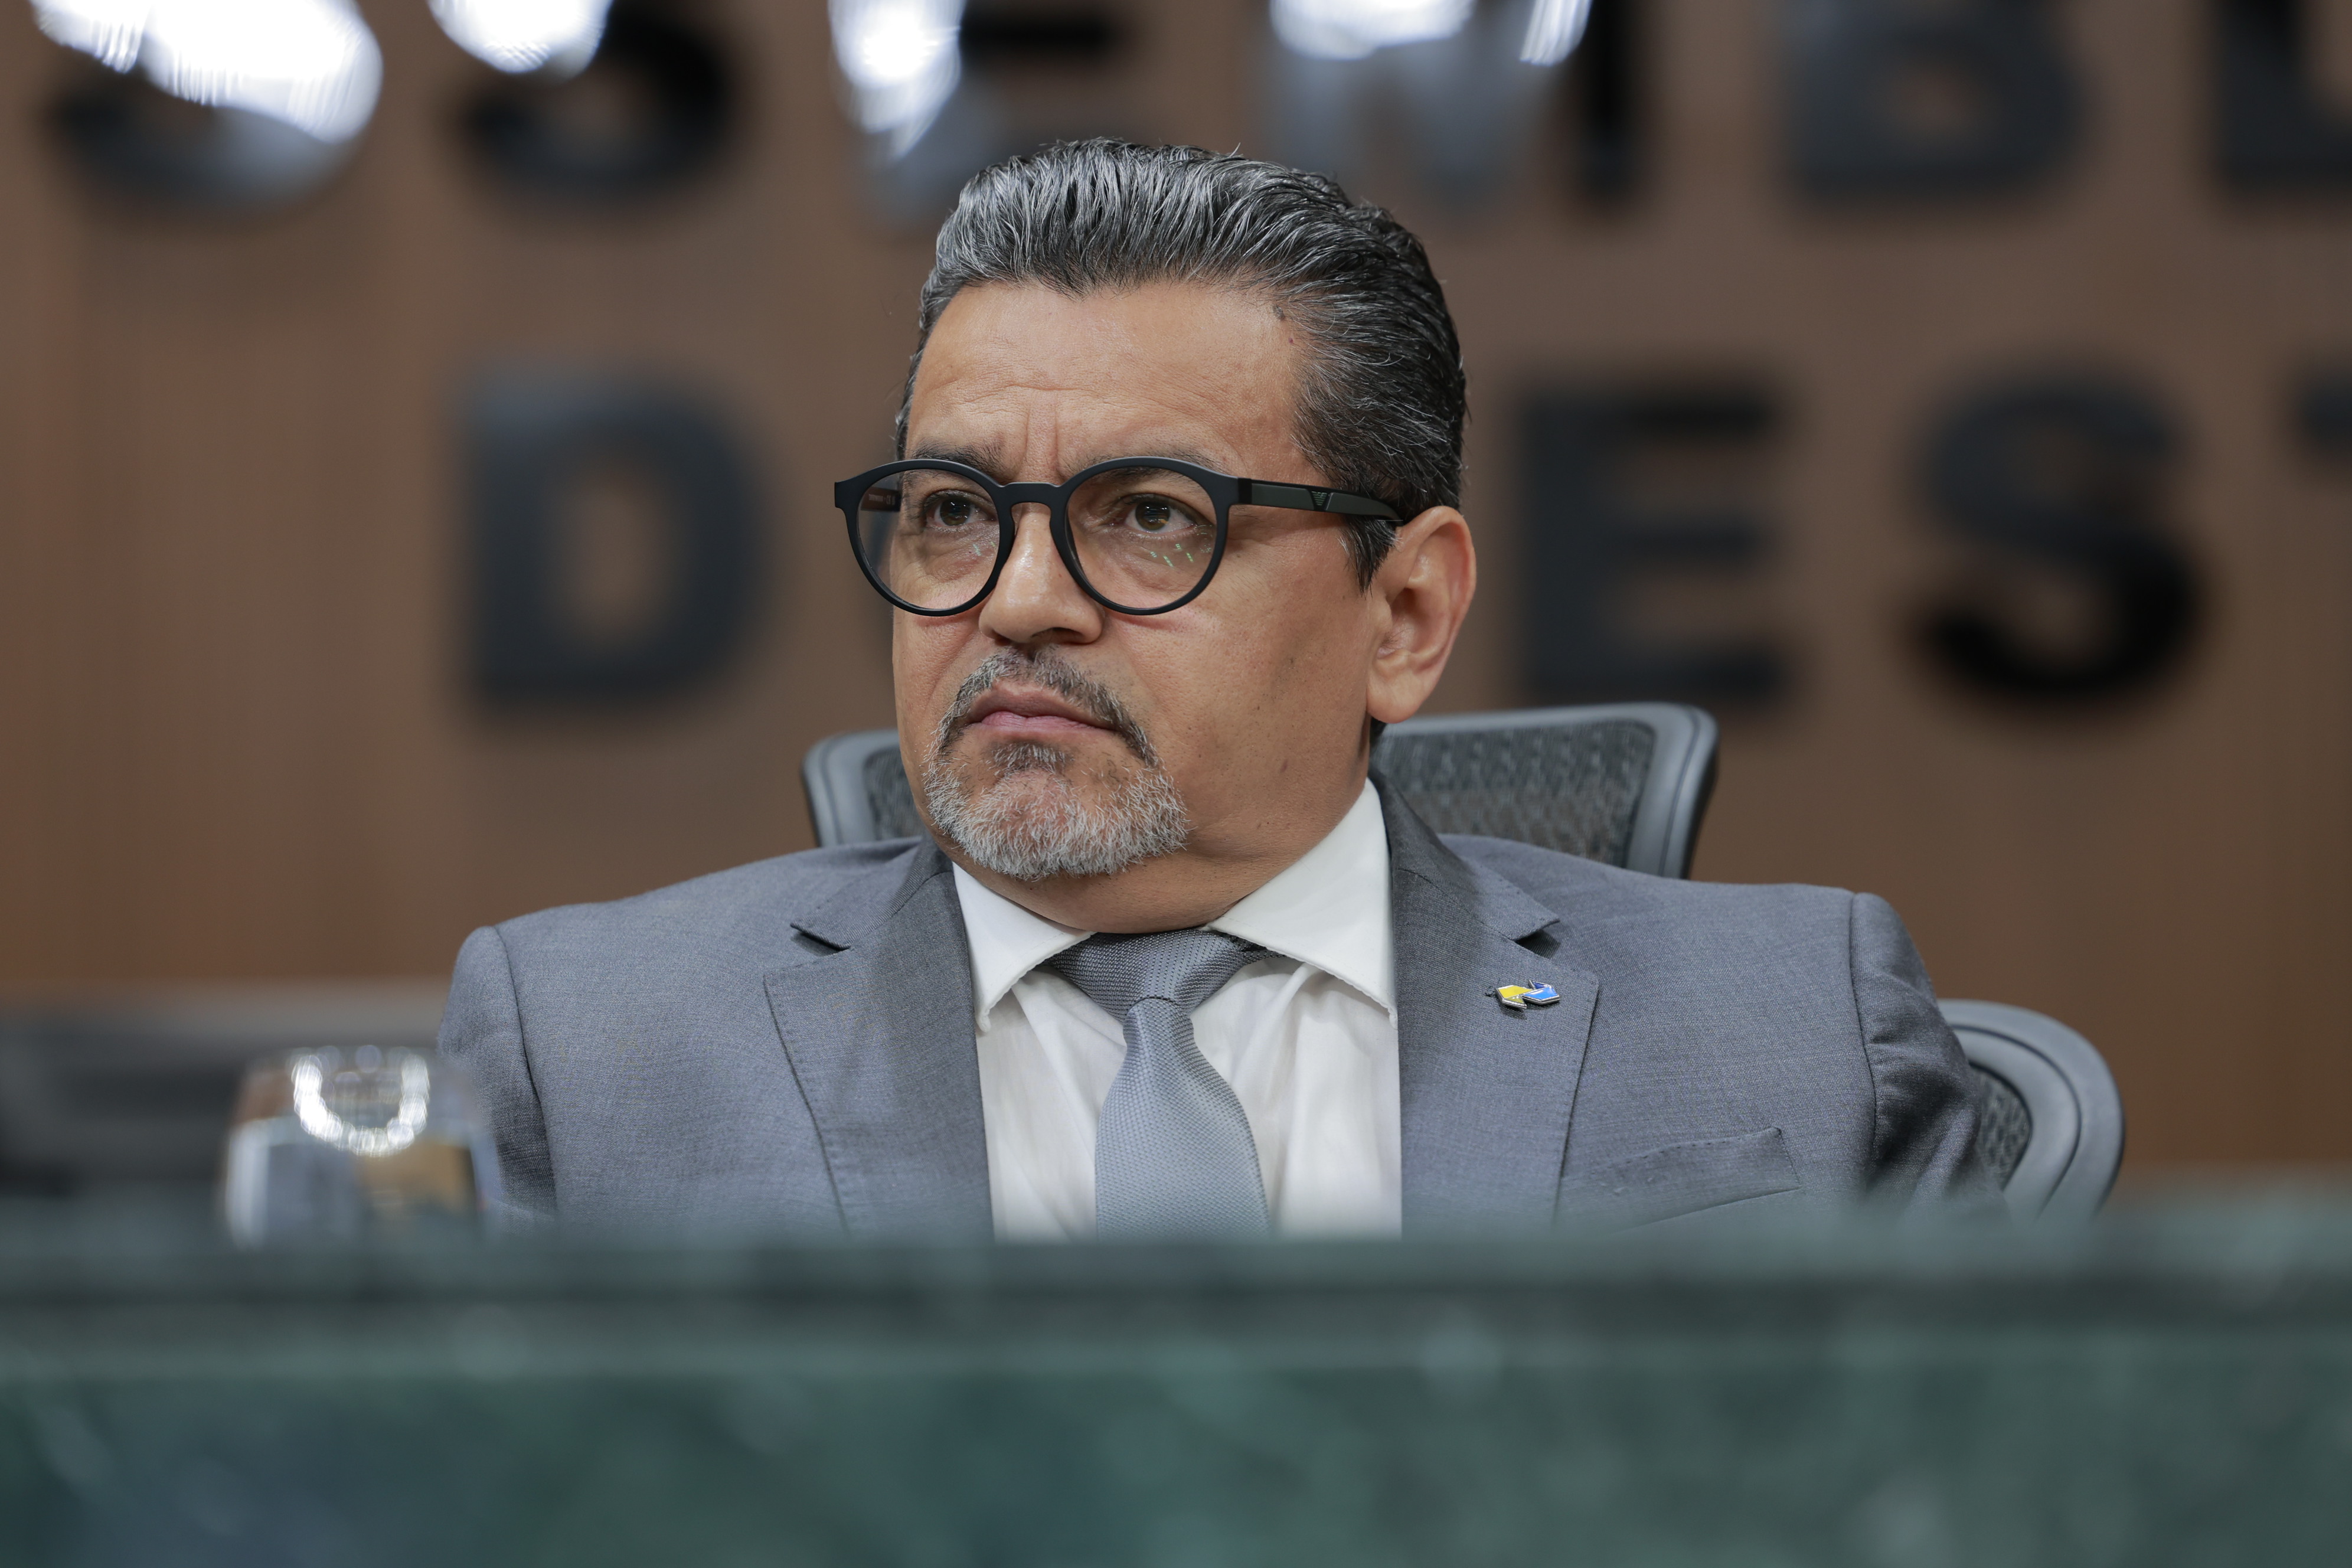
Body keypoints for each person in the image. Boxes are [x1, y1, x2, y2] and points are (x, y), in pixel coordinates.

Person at [439, 140, 1995, 1240]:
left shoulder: (1793, 1024)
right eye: (955, 511)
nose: (1018, 602)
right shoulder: (592, 1054)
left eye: (1148, 516)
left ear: (1407, 612)